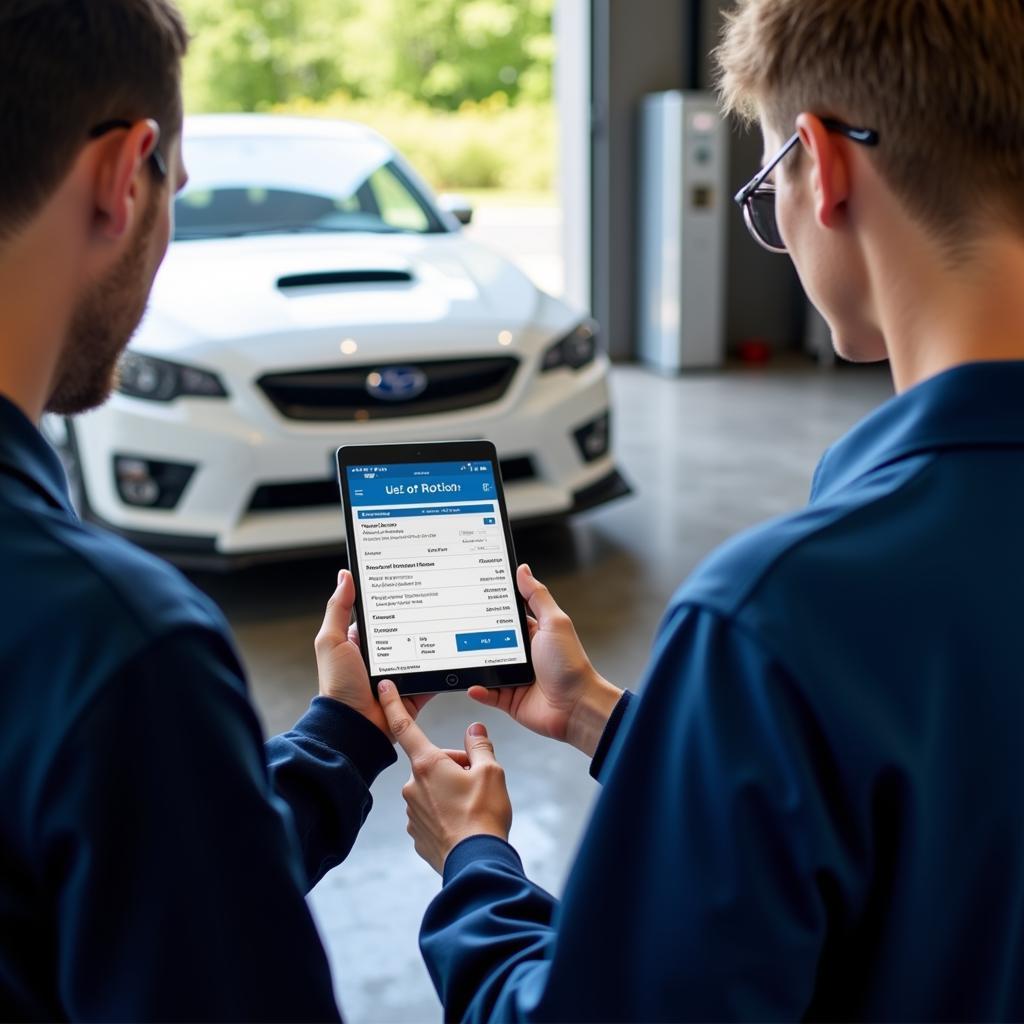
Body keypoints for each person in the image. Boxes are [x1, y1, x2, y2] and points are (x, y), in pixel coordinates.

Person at [372, 0, 1024, 1019]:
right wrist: (602, 717)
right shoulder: (795, 638)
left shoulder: (782, 614)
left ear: (823, 166)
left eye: (765, 192)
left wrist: (476, 866)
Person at [0, 3, 429, 1019]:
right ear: (122, 176)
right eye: (174, 190)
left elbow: (147, 878)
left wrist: (338, 737)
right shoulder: (117, 648)